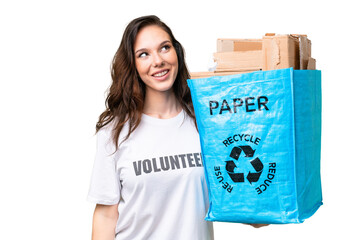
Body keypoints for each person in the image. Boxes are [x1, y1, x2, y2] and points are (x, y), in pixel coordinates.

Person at [87, 15, 214, 240]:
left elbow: (235, 193)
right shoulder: (115, 132)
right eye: (143, 54)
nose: (157, 61)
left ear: (176, 52)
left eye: (164, 48)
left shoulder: (205, 124)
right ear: (133, 65)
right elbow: (106, 217)